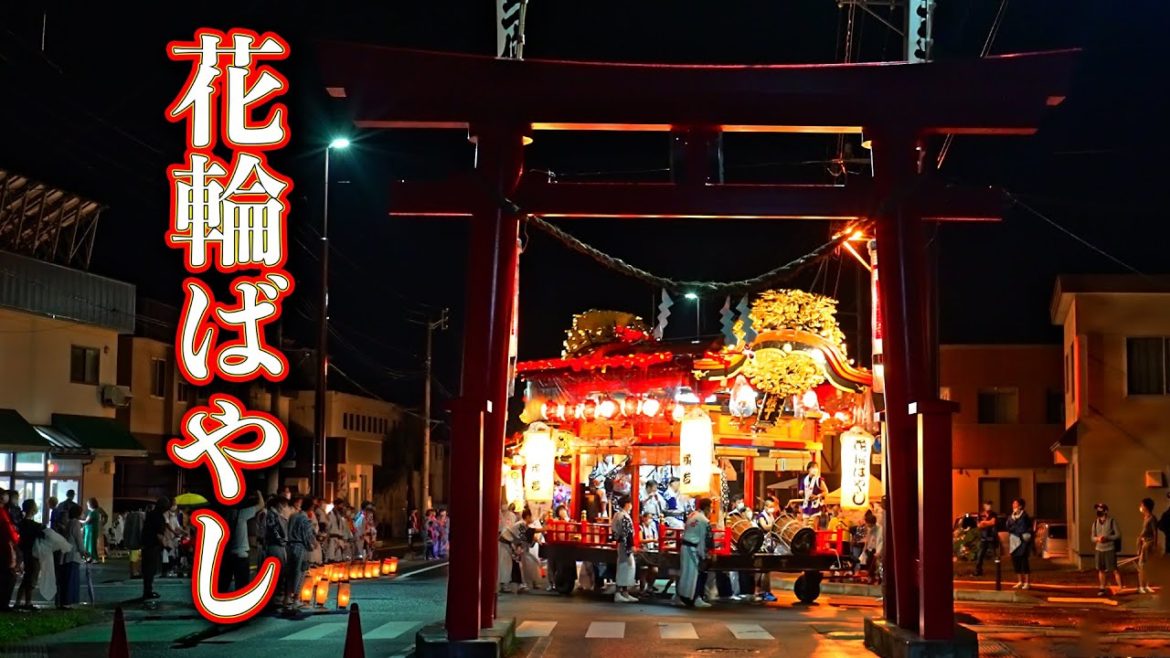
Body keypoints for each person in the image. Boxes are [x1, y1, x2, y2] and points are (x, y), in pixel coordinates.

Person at [219, 491, 264, 594]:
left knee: (223, 585)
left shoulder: (223, 516)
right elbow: (261, 505)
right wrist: (258, 492)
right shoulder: (242, 514)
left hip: (227, 554)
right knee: (242, 586)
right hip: (241, 555)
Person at [677, 497, 713, 608]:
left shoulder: (692, 515)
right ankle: (696, 598)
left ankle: (682, 596)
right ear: (707, 508)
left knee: (685, 574)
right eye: (711, 508)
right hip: (693, 548)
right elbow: (708, 539)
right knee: (696, 574)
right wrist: (708, 552)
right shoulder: (704, 520)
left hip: (685, 547)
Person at [286, 498, 318, 611]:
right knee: (300, 573)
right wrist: (312, 545)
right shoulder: (305, 519)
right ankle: (295, 599)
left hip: (290, 546)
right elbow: (307, 536)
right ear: (310, 508)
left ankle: (287, 598)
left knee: (290, 573)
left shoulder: (293, 516)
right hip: (300, 546)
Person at [15, 500, 44, 610]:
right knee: (32, 577)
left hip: (26, 552)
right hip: (32, 553)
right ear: (32, 509)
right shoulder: (33, 525)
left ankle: (19, 601)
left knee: (27, 577)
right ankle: (27, 602)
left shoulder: (22, 523)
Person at [263, 496, 290, 607]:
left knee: (281, 571)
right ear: (278, 504)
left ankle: (276, 597)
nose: (284, 507)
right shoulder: (271, 515)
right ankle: (273, 598)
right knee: (277, 571)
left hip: (279, 545)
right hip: (275, 545)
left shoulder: (277, 515)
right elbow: (273, 530)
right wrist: (281, 541)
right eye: (283, 505)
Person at [57, 504, 86, 608]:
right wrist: (83, 551)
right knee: (71, 579)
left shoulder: (70, 523)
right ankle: (68, 602)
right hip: (73, 555)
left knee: (66, 579)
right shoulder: (76, 523)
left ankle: (64, 601)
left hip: (67, 554)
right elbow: (78, 539)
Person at [1091, 502, 1123, 596]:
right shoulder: (1095, 523)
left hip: (1109, 549)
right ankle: (1102, 588)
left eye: (1100, 510)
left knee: (1114, 569)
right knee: (1101, 569)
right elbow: (1092, 537)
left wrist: (1107, 538)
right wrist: (1097, 539)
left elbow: (1118, 535)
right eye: (1097, 510)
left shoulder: (1112, 521)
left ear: (1105, 511)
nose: (1098, 512)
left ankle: (1120, 587)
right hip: (1099, 549)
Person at [141, 497, 169, 601]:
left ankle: (147, 590)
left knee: (147, 570)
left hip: (146, 544)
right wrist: (165, 546)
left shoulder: (150, 514)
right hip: (153, 545)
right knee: (150, 570)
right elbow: (159, 534)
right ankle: (148, 592)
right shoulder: (159, 517)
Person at [611, 496, 637, 603]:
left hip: (622, 543)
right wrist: (631, 545)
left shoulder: (618, 514)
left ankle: (625, 592)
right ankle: (618, 592)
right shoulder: (623, 516)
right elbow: (627, 533)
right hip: (625, 545)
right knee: (624, 567)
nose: (631, 505)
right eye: (630, 503)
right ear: (627, 504)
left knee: (627, 568)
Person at [1005, 498, 1032, 590]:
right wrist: (1013, 526)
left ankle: (1027, 582)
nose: (1013, 505)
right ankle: (1020, 581)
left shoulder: (1024, 516)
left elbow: (1023, 528)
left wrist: (1014, 528)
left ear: (1020, 506)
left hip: (1022, 541)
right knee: (1016, 561)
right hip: (1014, 541)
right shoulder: (1011, 516)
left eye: (1015, 503)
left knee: (1024, 562)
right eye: (1013, 503)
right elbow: (1008, 527)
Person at [1137, 498, 1159, 594]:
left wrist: (1154, 545)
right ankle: (1144, 585)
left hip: (1149, 544)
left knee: (1143, 565)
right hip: (1144, 543)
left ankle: (1144, 586)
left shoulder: (1152, 518)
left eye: (1142, 505)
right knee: (1143, 566)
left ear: (1146, 507)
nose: (1140, 507)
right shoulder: (1146, 517)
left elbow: (1155, 532)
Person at [798, 462, 827, 530]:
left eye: (816, 467)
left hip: (815, 506)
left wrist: (817, 496)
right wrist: (801, 492)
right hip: (806, 506)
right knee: (804, 527)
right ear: (808, 469)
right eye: (813, 467)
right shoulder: (804, 479)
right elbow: (801, 490)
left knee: (813, 527)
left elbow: (826, 491)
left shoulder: (819, 480)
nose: (815, 469)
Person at [974, 500, 999, 577]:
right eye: (988, 505)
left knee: (996, 555)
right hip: (984, 537)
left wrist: (984, 522)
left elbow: (993, 522)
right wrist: (988, 522)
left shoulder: (994, 514)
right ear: (984, 506)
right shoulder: (980, 514)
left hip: (992, 537)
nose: (989, 506)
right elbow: (979, 525)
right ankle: (978, 570)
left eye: (990, 505)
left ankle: (998, 571)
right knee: (980, 555)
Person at [638, 512, 659, 594]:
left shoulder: (652, 529)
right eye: (648, 517)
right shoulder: (640, 528)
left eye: (651, 518)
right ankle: (642, 589)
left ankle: (650, 586)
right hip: (643, 552)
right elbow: (640, 540)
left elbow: (656, 540)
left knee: (655, 570)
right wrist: (652, 540)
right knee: (644, 570)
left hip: (651, 552)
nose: (650, 520)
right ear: (643, 518)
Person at [861, 510, 883, 583]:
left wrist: (878, 552)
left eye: (868, 524)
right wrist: (865, 549)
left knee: (876, 565)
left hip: (875, 550)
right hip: (869, 549)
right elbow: (868, 539)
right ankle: (871, 578)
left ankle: (877, 579)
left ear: (872, 523)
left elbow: (880, 541)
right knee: (869, 564)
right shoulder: (869, 528)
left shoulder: (879, 529)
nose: (867, 526)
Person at [83, 498, 106, 563]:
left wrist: (102, 523)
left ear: (91, 504)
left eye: (88, 504)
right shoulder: (92, 512)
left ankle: (94, 558)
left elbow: (87, 521)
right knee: (89, 544)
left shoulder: (94, 512)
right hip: (90, 530)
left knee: (92, 544)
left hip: (91, 530)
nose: (87, 506)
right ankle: (90, 557)